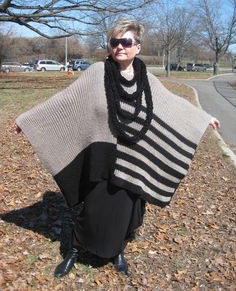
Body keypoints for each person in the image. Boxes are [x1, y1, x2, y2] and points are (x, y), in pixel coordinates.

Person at [14, 18, 220, 278]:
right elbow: (65, 100)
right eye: (115, 42)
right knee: (92, 208)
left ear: (137, 47)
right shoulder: (97, 72)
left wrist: (203, 118)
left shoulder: (146, 78)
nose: (120, 47)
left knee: (127, 208)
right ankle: (75, 250)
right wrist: (29, 119)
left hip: (133, 155)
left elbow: (171, 103)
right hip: (102, 155)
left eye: (126, 42)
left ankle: (118, 251)